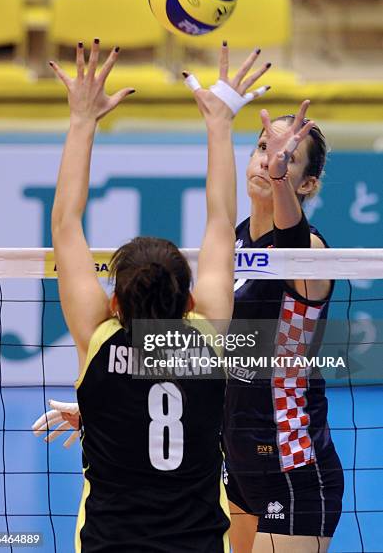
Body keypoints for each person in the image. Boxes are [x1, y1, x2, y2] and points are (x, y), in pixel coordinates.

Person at [38, 39, 271, 552]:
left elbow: (64, 223)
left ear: (114, 304)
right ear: (190, 302)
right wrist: (220, 123)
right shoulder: (209, 337)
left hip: (108, 543)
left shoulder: (98, 340)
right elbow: (218, 221)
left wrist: (82, 120)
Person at [224, 105, 344, 553]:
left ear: (306, 184)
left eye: (286, 157)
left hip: (292, 465)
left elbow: (289, 249)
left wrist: (277, 182)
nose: (268, 159)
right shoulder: (234, 241)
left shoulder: (308, 248)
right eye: (262, 148)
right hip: (238, 460)